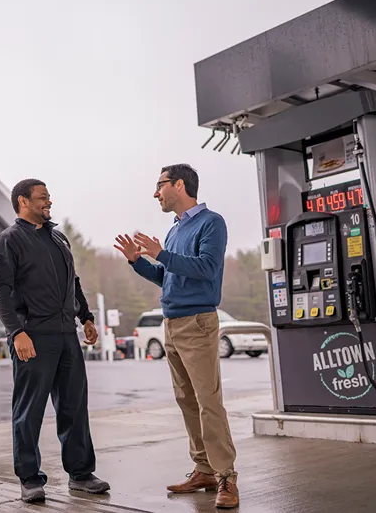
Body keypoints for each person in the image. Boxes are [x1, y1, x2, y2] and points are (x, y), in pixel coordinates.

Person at [114, 164, 239, 509]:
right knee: (188, 401)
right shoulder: (172, 230)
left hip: (198, 323)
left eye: (160, 185)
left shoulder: (211, 223)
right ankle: (203, 470)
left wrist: (162, 254)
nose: (156, 193)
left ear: (179, 185)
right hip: (171, 323)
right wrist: (138, 261)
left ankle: (227, 477)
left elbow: (206, 269)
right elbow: (169, 277)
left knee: (208, 403)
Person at [0, 178, 111, 503]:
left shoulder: (58, 238)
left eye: (49, 197)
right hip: (33, 336)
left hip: (65, 334)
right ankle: (29, 478)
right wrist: (17, 332)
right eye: (42, 198)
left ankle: (81, 473)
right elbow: (0, 291)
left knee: (74, 406)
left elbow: (73, 281)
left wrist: (85, 317)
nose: (49, 202)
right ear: (22, 201)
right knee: (29, 410)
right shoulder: (9, 241)